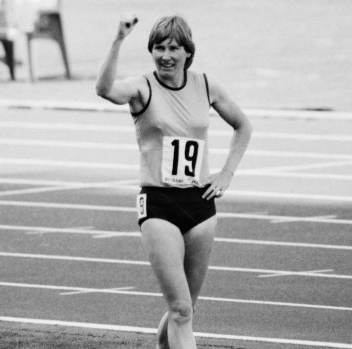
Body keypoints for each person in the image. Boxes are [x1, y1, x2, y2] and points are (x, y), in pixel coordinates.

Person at [95, 14, 252, 349]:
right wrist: (118, 40)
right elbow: (105, 90)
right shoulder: (142, 87)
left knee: (185, 309)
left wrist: (226, 173)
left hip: (201, 208)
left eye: (173, 48)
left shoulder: (206, 85)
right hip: (159, 206)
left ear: (187, 52)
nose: (165, 55)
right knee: (180, 308)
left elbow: (243, 126)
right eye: (158, 47)